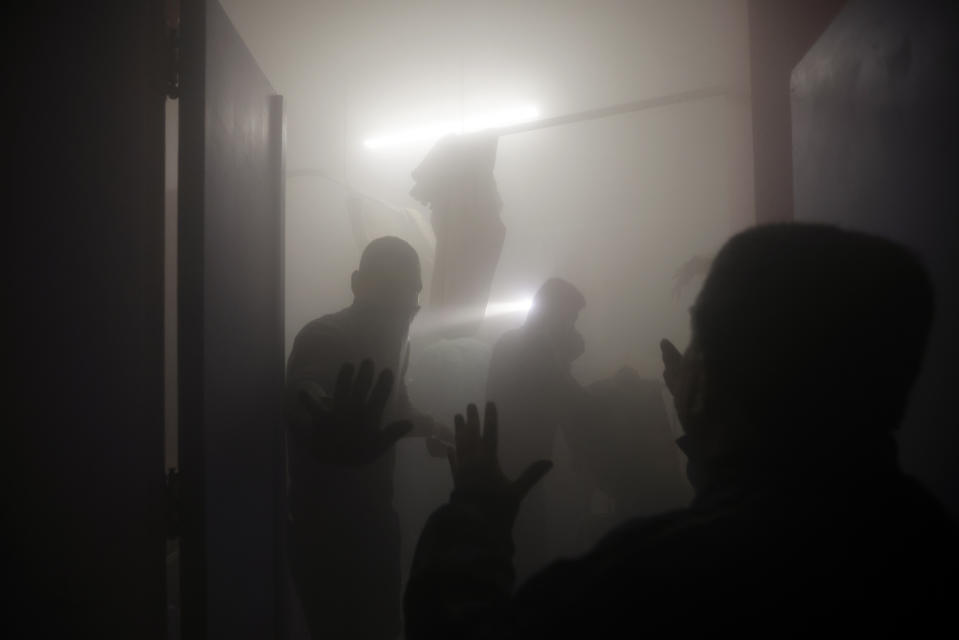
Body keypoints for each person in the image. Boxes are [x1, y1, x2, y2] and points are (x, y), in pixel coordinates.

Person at [404, 224, 959, 638]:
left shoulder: (650, 578)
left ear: (704, 385)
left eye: (696, 344)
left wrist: (472, 517)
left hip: (514, 482)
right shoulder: (923, 534)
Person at [285, 236, 451, 640]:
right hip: (328, 532)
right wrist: (324, 423)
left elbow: (396, 409)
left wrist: (435, 429)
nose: (403, 311)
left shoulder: (395, 344)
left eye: (410, 296)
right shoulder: (325, 335)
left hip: (375, 521)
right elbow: (308, 393)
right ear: (358, 285)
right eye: (392, 294)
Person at [485, 278, 593, 579]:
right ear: (552, 314)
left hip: (512, 468)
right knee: (527, 559)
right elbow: (574, 401)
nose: (572, 327)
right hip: (518, 471)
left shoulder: (513, 342)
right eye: (569, 318)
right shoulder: (536, 349)